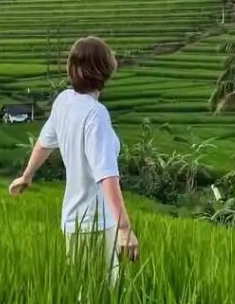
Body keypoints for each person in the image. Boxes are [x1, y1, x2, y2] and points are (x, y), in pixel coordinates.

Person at [9, 36, 138, 281]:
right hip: (96, 223)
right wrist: (124, 228)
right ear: (104, 69)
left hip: (72, 221)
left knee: (82, 291)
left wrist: (27, 175)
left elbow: (45, 142)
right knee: (102, 296)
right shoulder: (96, 114)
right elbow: (106, 175)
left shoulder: (64, 100)